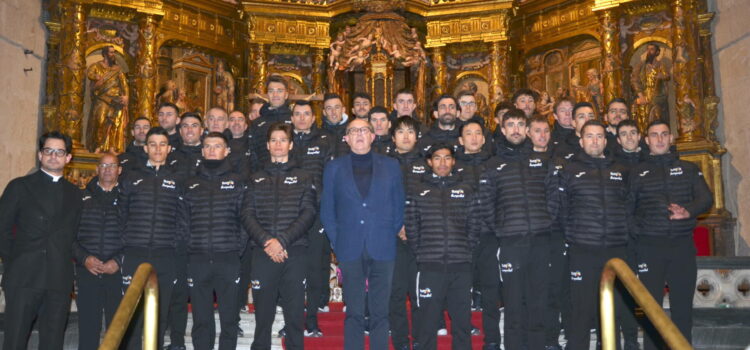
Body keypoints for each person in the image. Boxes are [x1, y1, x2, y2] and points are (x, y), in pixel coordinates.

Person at [321, 118, 405, 350]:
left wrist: (389, 233)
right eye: (353, 131)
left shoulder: (391, 166)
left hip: (383, 245)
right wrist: (338, 243)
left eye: (364, 130)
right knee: (354, 313)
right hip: (349, 246)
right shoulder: (334, 168)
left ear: (373, 135)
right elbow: (328, 210)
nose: (359, 134)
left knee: (381, 312)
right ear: (345, 137)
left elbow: (399, 206)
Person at [629, 120, 712, 350]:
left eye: (664, 134)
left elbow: (706, 199)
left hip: (682, 247)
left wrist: (689, 211)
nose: (659, 139)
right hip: (649, 248)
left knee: (682, 308)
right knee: (650, 310)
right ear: (646, 140)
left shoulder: (688, 168)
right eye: (654, 135)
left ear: (671, 138)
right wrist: (641, 231)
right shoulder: (637, 172)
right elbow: (627, 209)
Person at [0, 132, 83, 350]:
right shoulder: (19, 186)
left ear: (68, 158)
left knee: (52, 342)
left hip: (58, 280)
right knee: (15, 340)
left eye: (59, 152)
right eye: (48, 151)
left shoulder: (75, 194)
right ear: (40, 155)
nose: (53, 156)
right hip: (23, 278)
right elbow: (2, 230)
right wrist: (16, 262)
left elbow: (73, 235)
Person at [483, 109, 557, 350]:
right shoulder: (492, 165)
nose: (515, 129)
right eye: (510, 125)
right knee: (513, 305)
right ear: (502, 130)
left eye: (520, 124)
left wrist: (544, 222)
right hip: (511, 243)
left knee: (538, 304)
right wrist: (503, 229)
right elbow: (486, 203)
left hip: (541, 242)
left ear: (527, 130)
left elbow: (554, 198)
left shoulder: (543, 162)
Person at [555, 120, 632, 350]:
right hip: (583, 250)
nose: (595, 141)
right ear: (581, 140)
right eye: (589, 136)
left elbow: (629, 206)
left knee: (613, 309)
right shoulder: (569, 170)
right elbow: (560, 209)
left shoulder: (620, 170)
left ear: (605, 140)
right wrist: (574, 236)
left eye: (599, 136)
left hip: (616, 251)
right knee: (582, 309)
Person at [243, 123, 317, 350]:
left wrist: (282, 241)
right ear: (267, 145)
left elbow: (309, 212)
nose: (278, 144)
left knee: (294, 315)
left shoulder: (304, 177)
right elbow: (247, 214)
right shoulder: (254, 178)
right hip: (263, 252)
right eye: (273, 140)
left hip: (293, 252)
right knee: (262, 317)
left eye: (282, 140)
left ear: (291, 144)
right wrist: (267, 242)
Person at [405, 143, 483, 350]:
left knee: (462, 324)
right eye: (437, 158)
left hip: (461, 266)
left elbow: (475, 224)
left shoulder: (466, 189)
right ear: (430, 162)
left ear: (453, 161)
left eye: (447, 158)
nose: (442, 162)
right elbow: (412, 227)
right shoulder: (418, 191)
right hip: (430, 267)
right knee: (427, 323)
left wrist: (465, 249)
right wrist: (423, 253)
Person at [179, 132, 247, 350]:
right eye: (207, 146)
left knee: (229, 320)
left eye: (217, 146)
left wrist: (236, 250)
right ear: (202, 151)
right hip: (197, 260)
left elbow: (245, 220)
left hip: (227, 258)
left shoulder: (237, 182)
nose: (211, 150)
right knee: (201, 320)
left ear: (226, 151)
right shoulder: (190, 184)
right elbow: (182, 222)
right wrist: (190, 248)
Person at [118, 127, 184, 349]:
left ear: (169, 148)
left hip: (165, 256)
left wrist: (173, 245)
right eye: (153, 144)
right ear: (145, 148)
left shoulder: (177, 181)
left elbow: (183, 219)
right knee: (132, 316)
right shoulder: (130, 178)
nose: (157, 149)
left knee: (159, 315)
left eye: (162, 144)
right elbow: (121, 215)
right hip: (135, 253)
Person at [288, 100, 336, 337]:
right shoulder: (284, 140)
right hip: (290, 215)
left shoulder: (325, 140)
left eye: (307, 114)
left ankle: (313, 320)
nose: (302, 118)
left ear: (313, 117)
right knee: (292, 271)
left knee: (316, 268)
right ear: (292, 117)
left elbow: (331, 177)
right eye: (298, 114)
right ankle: (291, 321)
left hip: (317, 214)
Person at [455, 120, 501, 349]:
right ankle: (463, 342)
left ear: (484, 139)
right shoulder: (452, 167)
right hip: (461, 240)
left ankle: (492, 340)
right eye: (468, 134)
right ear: (461, 140)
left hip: (490, 238)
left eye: (478, 134)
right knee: (461, 293)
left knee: (491, 293)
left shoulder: (495, 166)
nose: (473, 137)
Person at [73, 153, 123, 350]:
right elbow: (68, 235)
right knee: (87, 328)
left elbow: (136, 235)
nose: (108, 169)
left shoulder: (129, 198)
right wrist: (84, 258)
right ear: (97, 169)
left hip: (117, 272)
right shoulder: (80, 197)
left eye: (112, 166)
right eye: (103, 165)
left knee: (118, 329)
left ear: (119, 170)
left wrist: (119, 261)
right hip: (88, 271)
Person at [386, 116, 427, 350]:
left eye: (410, 132)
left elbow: (430, 201)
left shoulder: (428, 164)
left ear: (417, 136)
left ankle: (421, 341)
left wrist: (412, 227)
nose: (406, 136)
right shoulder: (383, 164)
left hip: (421, 239)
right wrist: (398, 226)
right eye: (400, 132)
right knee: (397, 293)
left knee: (420, 294)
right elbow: (380, 202)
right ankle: (401, 342)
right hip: (392, 239)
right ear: (393, 137)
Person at [86, 45, 129, 153]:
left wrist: (126, 96)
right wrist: (97, 79)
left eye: (114, 52)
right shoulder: (96, 66)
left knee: (115, 123)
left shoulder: (117, 69)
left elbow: (124, 85)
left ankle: (111, 148)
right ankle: (97, 146)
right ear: (105, 54)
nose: (113, 54)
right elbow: (90, 74)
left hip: (116, 100)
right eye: (111, 52)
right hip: (102, 98)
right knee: (99, 122)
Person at [250, 76, 293, 168]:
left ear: (286, 95)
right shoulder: (257, 123)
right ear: (267, 94)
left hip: (291, 175)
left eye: (279, 91)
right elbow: (252, 152)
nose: (275, 94)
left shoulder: (294, 120)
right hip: (263, 174)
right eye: (271, 91)